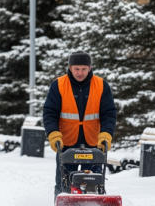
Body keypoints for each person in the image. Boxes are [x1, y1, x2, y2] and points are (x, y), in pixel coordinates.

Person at [43, 51, 117, 198]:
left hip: (93, 143)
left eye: (84, 69)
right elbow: (50, 113)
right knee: (63, 182)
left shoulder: (102, 85)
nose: (80, 73)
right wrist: (53, 134)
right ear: (70, 68)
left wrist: (106, 134)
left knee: (93, 181)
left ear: (90, 68)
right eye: (76, 69)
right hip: (66, 143)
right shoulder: (58, 85)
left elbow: (109, 113)